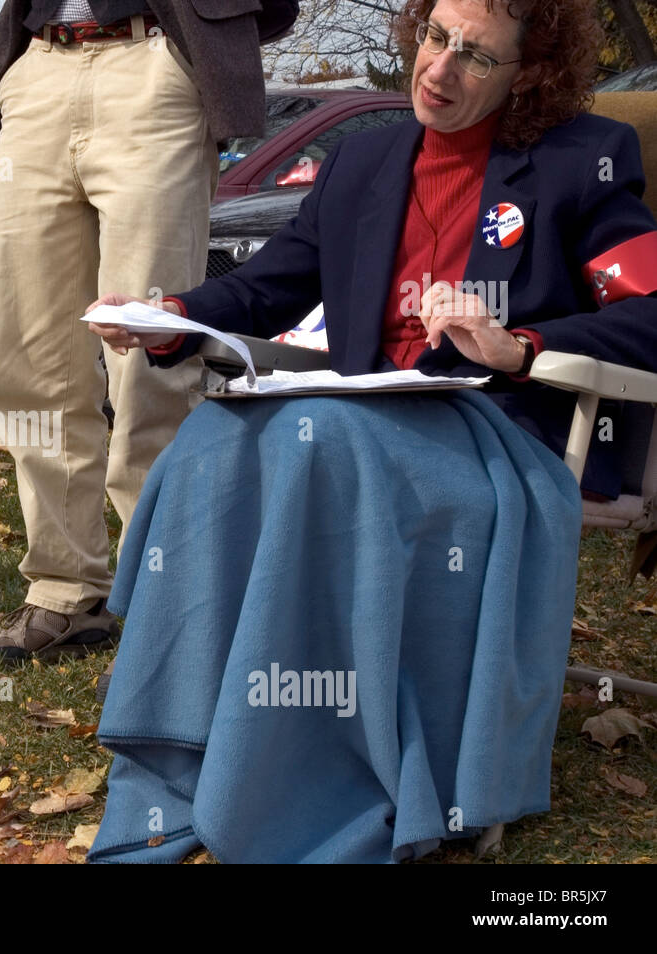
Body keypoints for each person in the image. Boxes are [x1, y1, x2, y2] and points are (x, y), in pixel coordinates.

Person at [84, 0, 657, 862]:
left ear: (528, 72)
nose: (439, 70)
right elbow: (268, 288)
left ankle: (307, 771)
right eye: (435, 38)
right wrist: (171, 316)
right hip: (358, 415)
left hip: (491, 428)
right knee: (213, 443)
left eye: (475, 57)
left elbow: (649, 308)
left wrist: (519, 343)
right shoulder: (363, 160)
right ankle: (199, 738)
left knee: (320, 437)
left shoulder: (588, 162)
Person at [0, 0, 298, 671]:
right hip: (39, 66)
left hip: (154, 66)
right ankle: (64, 590)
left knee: (155, 358)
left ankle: (166, 605)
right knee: (28, 364)